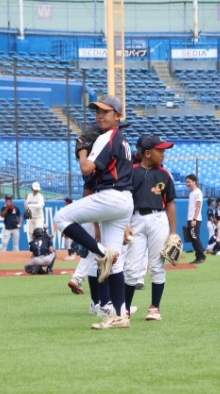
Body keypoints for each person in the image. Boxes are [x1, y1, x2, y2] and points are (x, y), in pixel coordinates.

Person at [54, 95, 133, 330]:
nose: (99, 115)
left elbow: (86, 167)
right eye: (97, 111)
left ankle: (100, 253)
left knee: (61, 217)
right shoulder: (122, 140)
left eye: (105, 112)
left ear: (117, 115)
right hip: (123, 201)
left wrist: (82, 150)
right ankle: (120, 315)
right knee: (115, 264)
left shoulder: (106, 137)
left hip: (111, 196)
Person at [124, 135, 177, 322]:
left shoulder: (165, 174)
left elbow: (170, 203)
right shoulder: (131, 172)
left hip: (158, 218)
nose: (163, 154)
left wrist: (173, 232)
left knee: (157, 265)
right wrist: (125, 224)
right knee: (131, 267)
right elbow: (124, 202)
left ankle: (155, 307)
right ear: (147, 153)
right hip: (135, 219)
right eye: (160, 150)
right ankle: (125, 309)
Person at [185, 174, 205, 264]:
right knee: (192, 237)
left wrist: (194, 219)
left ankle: (201, 256)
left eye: (189, 182)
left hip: (195, 219)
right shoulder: (191, 193)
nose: (187, 184)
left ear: (194, 182)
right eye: (186, 182)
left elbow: (198, 206)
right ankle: (198, 257)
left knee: (195, 236)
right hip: (190, 218)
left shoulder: (198, 192)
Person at [62, 197, 77, 261]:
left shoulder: (71, 209)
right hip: (67, 227)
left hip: (70, 227)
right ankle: (70, 255)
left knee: (69, 242)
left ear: (68, 202)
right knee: (67, 242)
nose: (65, 203)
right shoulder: (67, 209)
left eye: (66, 202)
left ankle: (72, 255)